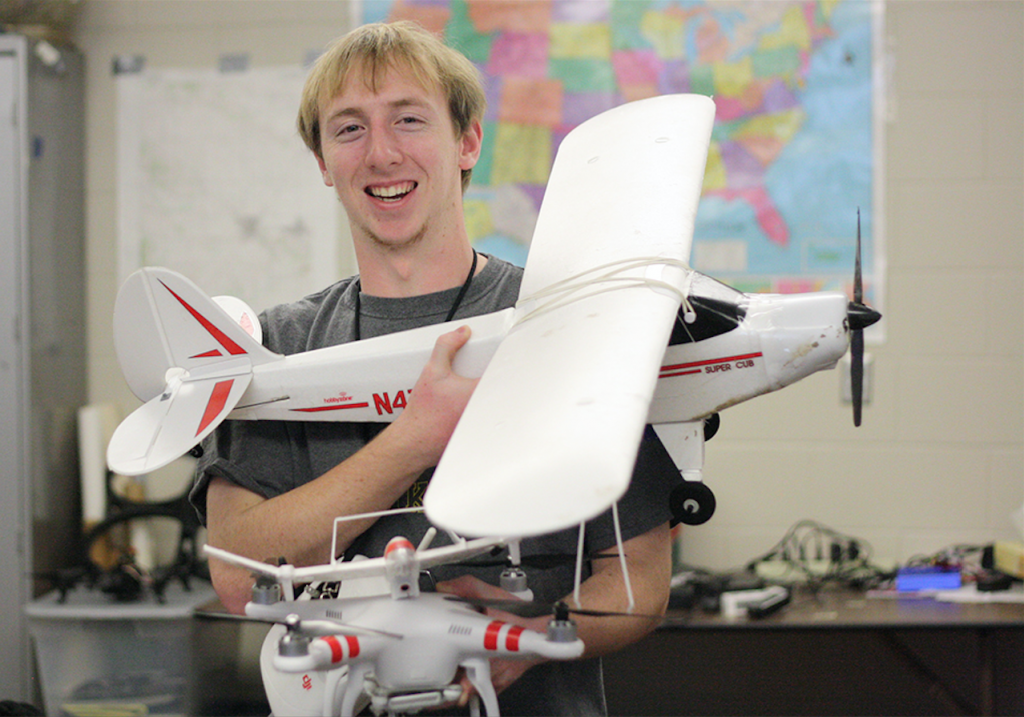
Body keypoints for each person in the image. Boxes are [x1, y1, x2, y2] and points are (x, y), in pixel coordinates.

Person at [190, 20, 678, 715]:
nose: (381, 153)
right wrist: (415, 438)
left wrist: (520, 641)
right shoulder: (279, 347)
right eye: (349, 129)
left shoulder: (563, 321)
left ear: (467, 141)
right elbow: (238, 575)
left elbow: (638, 584)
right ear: (324, 162)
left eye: (409, 120)